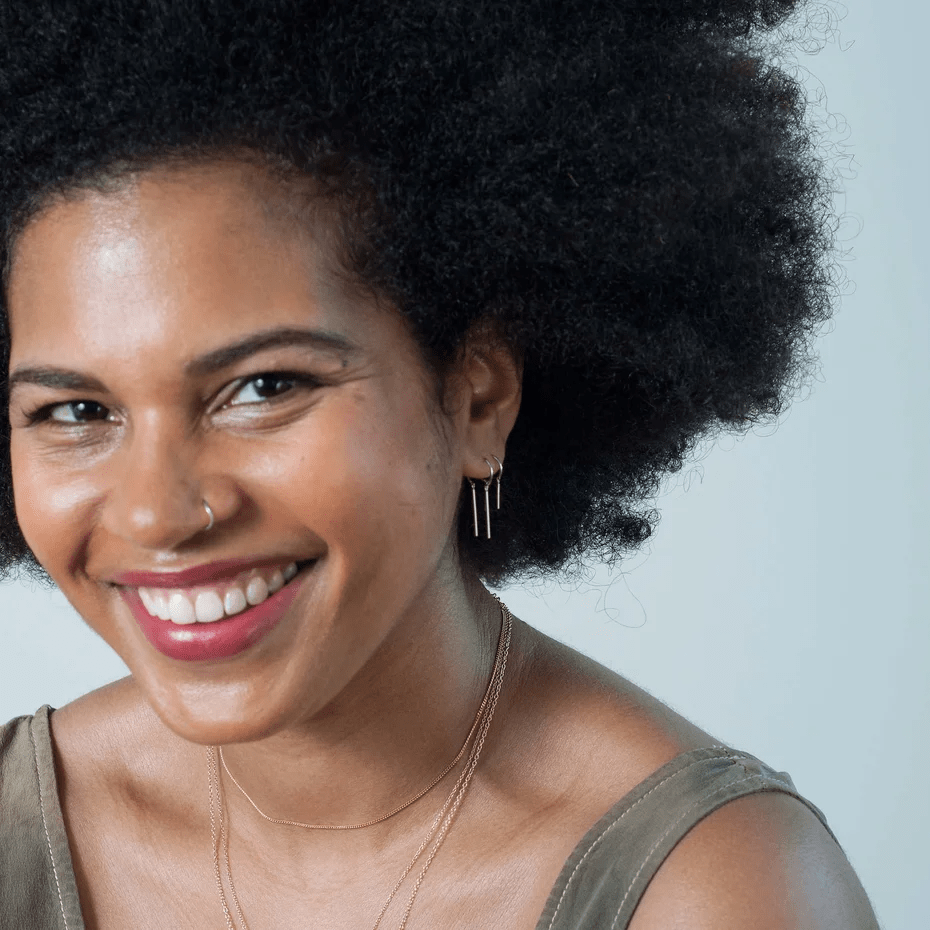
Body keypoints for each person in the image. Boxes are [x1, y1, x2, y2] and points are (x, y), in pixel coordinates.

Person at [0, 1, 881, 927]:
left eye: (263, 389)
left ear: (477, 400)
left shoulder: (715, 892)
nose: (156, 513)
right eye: (76, 410)